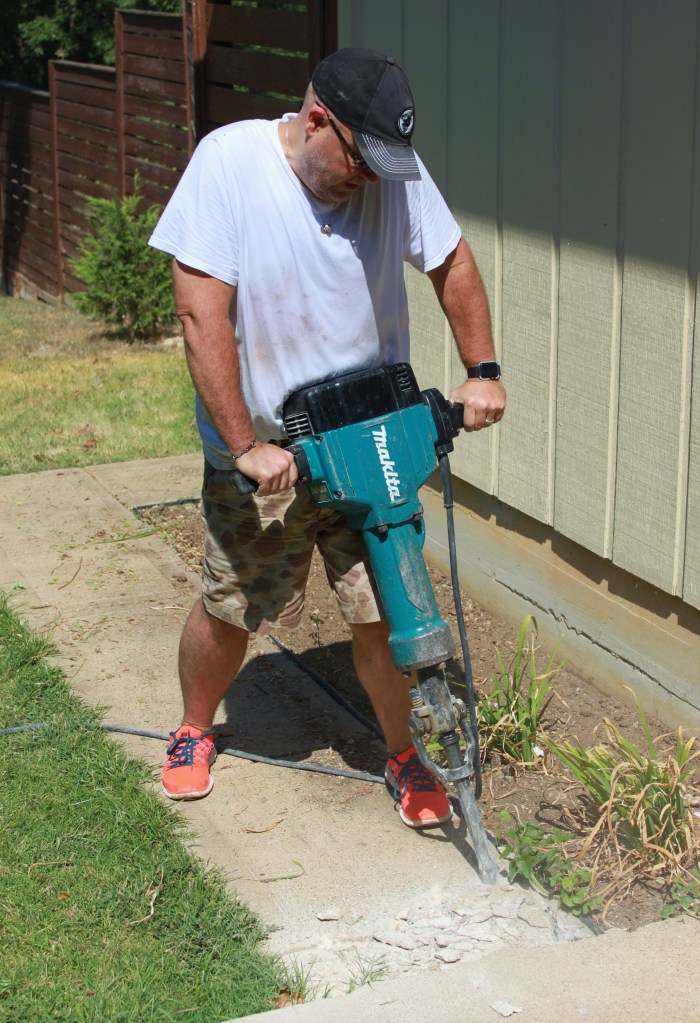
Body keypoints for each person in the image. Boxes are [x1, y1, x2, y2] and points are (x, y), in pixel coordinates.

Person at [149, 47, 506, 829]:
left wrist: (482, 369)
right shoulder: (229, 165)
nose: (371, 182)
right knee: (231, 607)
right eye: (359, 162)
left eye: (384, 166)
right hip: (272, 457)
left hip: (370, 440)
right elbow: (200, 312)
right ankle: (192, 726)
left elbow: (451, 262)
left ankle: (404, 751)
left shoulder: (388, 170)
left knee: (383, 612)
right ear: (316, 121)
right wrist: (245, 445)